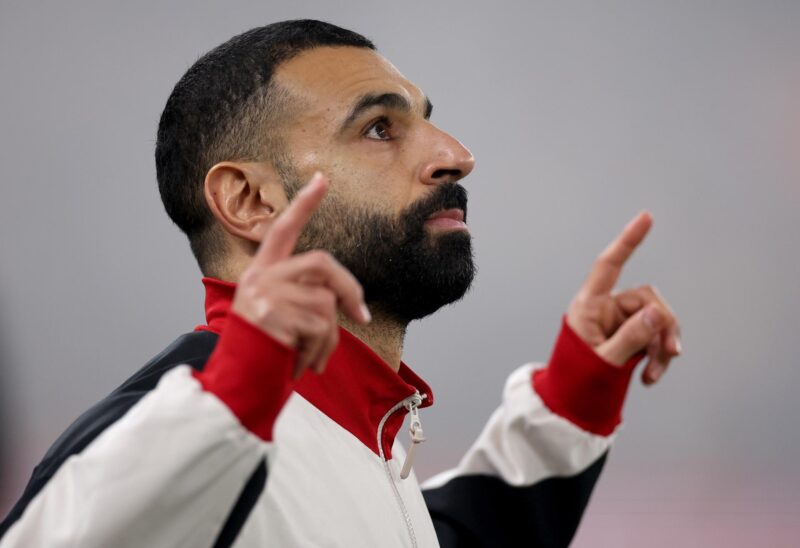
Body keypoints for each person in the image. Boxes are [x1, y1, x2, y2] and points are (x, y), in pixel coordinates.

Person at [0, 19, 681, 547]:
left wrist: (575, 393)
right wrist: (241, 388)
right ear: (249, 201)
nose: (456, 155)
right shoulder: (183, 421)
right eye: (380, 128)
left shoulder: (356, 434)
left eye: (425, 118)